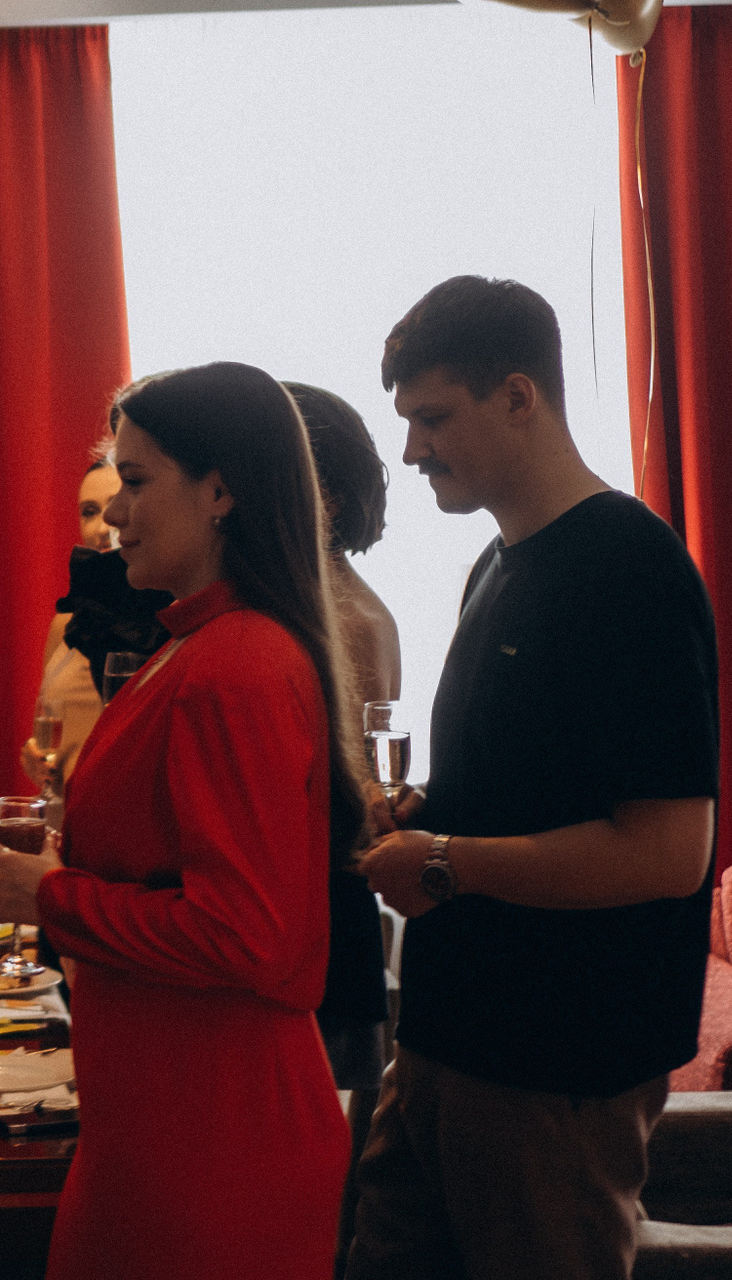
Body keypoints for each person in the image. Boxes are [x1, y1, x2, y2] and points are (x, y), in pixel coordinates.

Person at [350, 277, 717, 1280]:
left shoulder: (631, 569)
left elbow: (667, 851)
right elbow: (532, 789)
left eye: (433, 417)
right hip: (446, 1046)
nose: (412, 449)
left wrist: (446, 860)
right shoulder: (497, 564)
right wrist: (428, 813)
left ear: (519, 396)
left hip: (555, 1069)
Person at [0, 362, 358, 1279]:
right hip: (164, 1120)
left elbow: (246, 931)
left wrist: (55, 896)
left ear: (220, 491)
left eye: (137, 481)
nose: (112, 512)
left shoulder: (235, 665)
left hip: (213, 1138)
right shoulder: (198, 644)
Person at [285, 380, 399, 1277]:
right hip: (320, 918)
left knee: (311, 1200)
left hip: (318, 921)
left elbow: (348, 801)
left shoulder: (339, 616)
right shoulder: (349, 606)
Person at [19, 459, 121, 790]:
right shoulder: (65, 625)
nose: (102, 527)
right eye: (89, 512)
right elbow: (46, 735)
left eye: (116, 504)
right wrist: (33, 757)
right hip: (60, 814)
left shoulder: (174, 620)